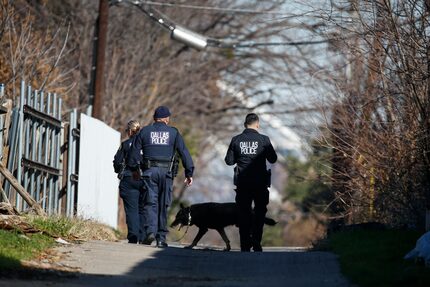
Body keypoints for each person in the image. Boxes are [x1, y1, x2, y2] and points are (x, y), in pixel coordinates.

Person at [128, 106, 194, 248]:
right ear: (166, 119)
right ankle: (161, 238)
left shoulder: (144, 131)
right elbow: (184, 153)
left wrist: (134, 169)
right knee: (164, 204)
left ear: (154, 118)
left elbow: (133, 153)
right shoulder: (173, 133)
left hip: (149, 172)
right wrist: (189, 173)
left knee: (150, 203)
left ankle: (150, 231)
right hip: (167, 174)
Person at [224, 113, 277, 252]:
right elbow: (273, 159)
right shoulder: (264, 140)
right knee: (260, 213)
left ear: (244, 124)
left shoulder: (236, 140)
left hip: (243, 184)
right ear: (257, 124)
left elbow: (229, 161)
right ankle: (257, 241)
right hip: (260, 183)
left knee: (243, 213)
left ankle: (245, 244)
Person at [113, 120, 144, 244]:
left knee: (131, 209)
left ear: (130, 131)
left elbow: (117, 163)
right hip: (144, 179)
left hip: (129, 178)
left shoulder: (125, 144)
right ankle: (144, 235)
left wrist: (119, 170)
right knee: (143, 208)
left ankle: (133, 235)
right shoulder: (146, 144)